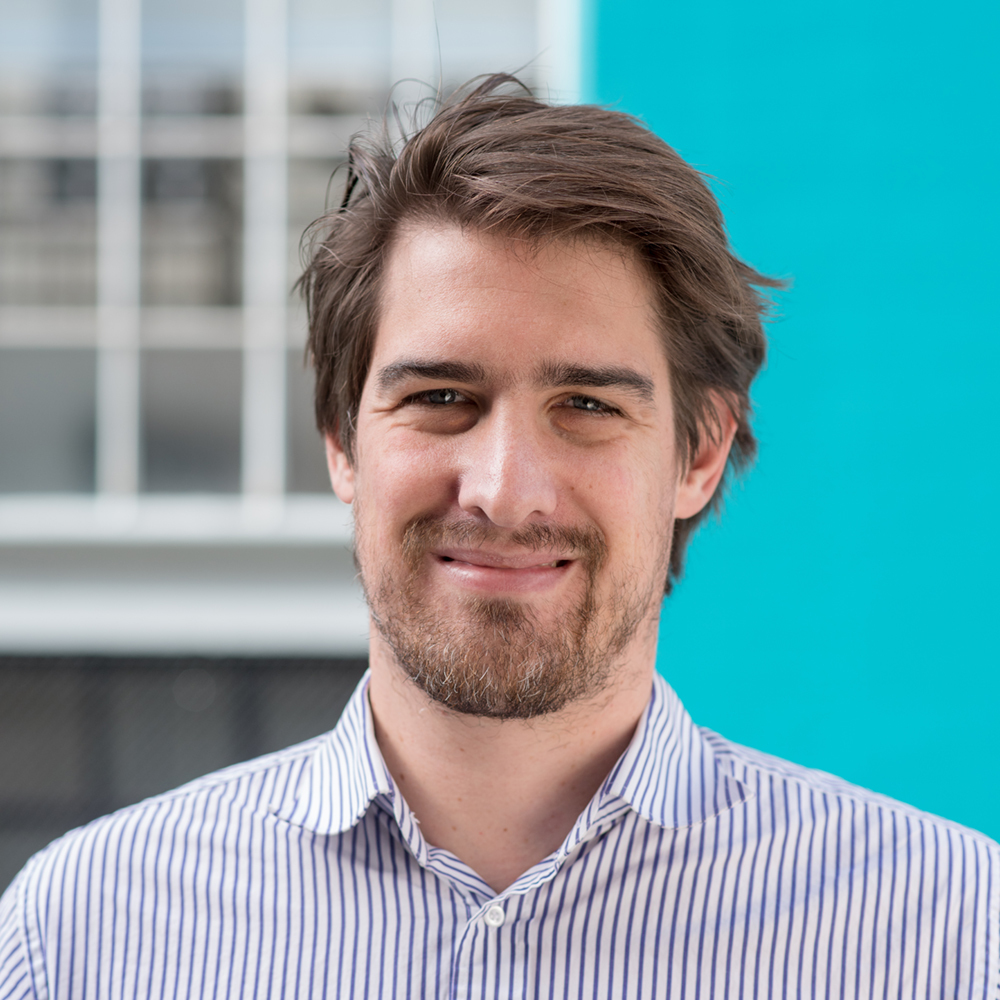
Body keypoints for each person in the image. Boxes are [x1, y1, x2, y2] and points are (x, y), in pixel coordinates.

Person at [1, 75, 997, 999]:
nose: (504, 488)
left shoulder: (944, 935)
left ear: (699, 452)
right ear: (344, 441)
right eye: (441, 397)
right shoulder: (87, 936)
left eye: (586, 405)